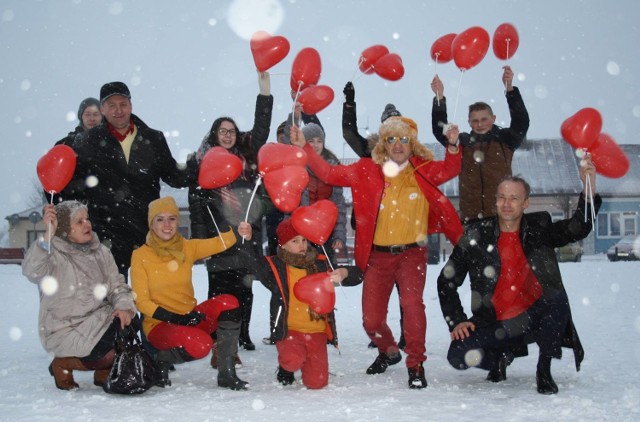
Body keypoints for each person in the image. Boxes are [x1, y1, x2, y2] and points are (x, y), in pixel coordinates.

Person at [290, 116, 463, 389]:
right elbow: (328, 173)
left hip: (412, 254)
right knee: (371, 320)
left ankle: (415, 363)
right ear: (383, 143)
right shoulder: (365, 169)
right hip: (376, 256)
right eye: (391, 139)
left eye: (403, 139)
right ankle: (387, 349)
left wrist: (453, 145)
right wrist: (307, 149)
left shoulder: (424, 169)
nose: (397, 144)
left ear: (412, 144)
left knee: (412, 305)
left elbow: (452, 168)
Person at [437, 158, 600, 395]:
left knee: (556, 297)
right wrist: (457, 319)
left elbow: (578, 228)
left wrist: (589, 188)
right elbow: (446, 280)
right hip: (494, 321)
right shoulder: (476, 235)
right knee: (458, 355)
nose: (506, 204)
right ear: (495, 201)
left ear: (526, 203)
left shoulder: (539, 229)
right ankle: (500, 358)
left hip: (534, 317)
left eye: (514, 198)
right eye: (502, 197)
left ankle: (543, 369)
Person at [69, 81, 196, 280]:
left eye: (123, 104)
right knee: (112, 298)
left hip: (145, 230)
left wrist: (198, 166)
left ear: (131, 105)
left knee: (152, 295)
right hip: (106, 232)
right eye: (111, 105)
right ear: (102, 109)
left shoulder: (153, 138)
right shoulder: (87, 142)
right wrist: (54, 200)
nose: (118, 110)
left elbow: (173, 175)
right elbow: (74, 186)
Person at [188, 71, 273, 355]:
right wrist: (201, 243)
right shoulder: (202, 164)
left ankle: (244, 333)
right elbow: (198, 209)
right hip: (218, 239)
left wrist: (265, 91)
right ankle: (219, 340)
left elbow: (261, 129)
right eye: (222, 131)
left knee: (245, 290)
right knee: (219, 291)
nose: (227, 135)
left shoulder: (245, 157)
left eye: (232, 131)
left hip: (246, 235)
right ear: (214, 134)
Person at [130, 196, 252, 390]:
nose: (167, 224)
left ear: (178, 221)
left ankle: (226, 372)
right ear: (151, 224)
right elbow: (142, 302)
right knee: (201, 346)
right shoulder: (141, 256)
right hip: (160, 325)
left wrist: (240, 230)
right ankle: (161, 360)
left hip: (190, 317)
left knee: (229, 301)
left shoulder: (187, 247)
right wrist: (178, 319)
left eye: (172, 218)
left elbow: (222, 242)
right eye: (160, 219)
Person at [22, 201, 137, 390]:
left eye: (87, 218)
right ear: (66, 229)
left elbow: (117, 286)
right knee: (106, 353)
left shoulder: (101, 251)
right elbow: (31, 271)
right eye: (79, 221)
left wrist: (123, 307)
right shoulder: (52, 254)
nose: (87, 224)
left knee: (130, 322)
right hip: (64, 328)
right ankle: (62, 364)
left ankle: (103, 372)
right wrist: (47, 236)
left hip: (96, 320)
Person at [244, 218, 363, 389]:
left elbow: (358, 275)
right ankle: (287, 368)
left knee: (317, 383)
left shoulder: (320, 264)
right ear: (283, 245)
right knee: (292, 359)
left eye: (304, 240)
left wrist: (343, 273)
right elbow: (253, 263)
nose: (302, 245)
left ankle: (308, 361)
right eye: (295, 241)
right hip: (290, 331)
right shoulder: (275, 268)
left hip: (317, 332)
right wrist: (248, 240)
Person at [342, 81, 406, 350]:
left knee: (406, 291)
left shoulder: (409, 153)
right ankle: (380, 334)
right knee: (377, 290)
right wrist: (350, 103)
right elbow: (348, 132)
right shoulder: (370, 150)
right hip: (372, 228)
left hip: (403, 228)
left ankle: (405, 333)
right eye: (388, 127)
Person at [431, 65, 530, 223]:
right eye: (475, 120)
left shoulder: (505, 139)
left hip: (502, 216)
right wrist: (439, 97)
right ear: (468, 122)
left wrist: (510, 89)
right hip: (471, 217)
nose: (480, 124)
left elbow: (521, 122)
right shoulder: (461, 141)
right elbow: (439, 129)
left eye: (484, 119)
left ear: (493, 118)